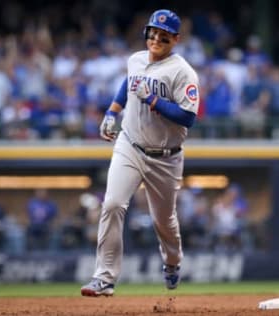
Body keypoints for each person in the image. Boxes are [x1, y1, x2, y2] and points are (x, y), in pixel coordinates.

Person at [81, 9, 200, 297]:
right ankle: (104, 278)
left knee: (163, 220)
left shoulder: (183, 71)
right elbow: (128, 83)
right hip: (130, 145)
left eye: (163, 35)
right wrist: (112, 111)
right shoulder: (135, 59)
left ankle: (172, 261)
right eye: (152, 32)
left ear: (176, 39)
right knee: (112, 204)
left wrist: (154, 100)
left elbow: (188, 117)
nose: (156, 38)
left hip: (166, 157)